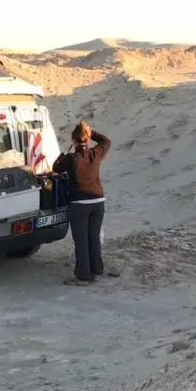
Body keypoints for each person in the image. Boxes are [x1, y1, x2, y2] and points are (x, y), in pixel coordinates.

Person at [51, 121, 112, 286]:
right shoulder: (96, 153)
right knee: (93, 237)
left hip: (79, 203)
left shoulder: (72, 158)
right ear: (87, 139)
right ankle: (96, 268)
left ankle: (84, 275)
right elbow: (106, 141)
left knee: (81, 240)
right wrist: (91, 132)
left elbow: (55, 168)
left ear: (74, 141)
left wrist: (65, 154)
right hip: (98, 201)